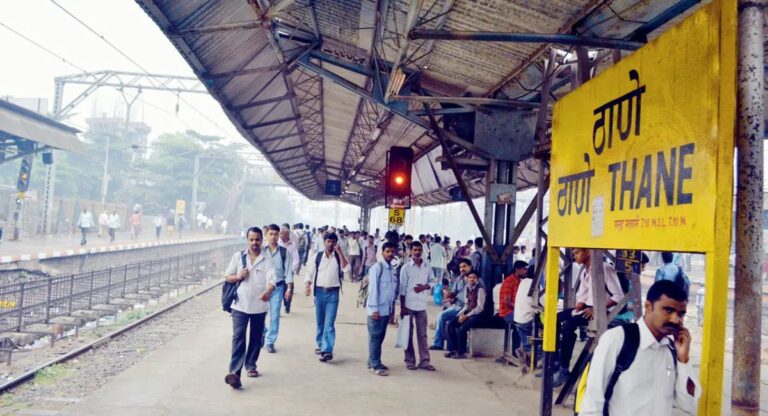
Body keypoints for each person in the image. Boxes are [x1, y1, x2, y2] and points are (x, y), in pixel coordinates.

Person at [579, 280, 700, 415]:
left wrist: (683, 360)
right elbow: (592, 403)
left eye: (681, 314)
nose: (675, 320)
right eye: (668, 310)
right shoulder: (617, 339)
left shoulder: (671, 350)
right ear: (648, 306)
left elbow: (687, 404)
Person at [553, 248, 626, 387]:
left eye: (577, 253)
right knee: (555, 318)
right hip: (586, 308)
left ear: (587, 252)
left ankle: (563, 368)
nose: (574, 256)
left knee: (569, 325)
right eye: (574, 253)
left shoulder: (605, 268)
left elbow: (618, 296)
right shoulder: (584, 271)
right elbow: (583, 294)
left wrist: (596, 308)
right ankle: (556, 360)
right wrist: (579, 305)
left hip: (600, 311)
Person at [223, 227, 277, 389]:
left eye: (257, 239)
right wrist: (239, 276)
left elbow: (272, 280)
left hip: (259, 307)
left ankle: (251, 364)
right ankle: (235, 373)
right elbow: (227, 276)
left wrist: (267, 292)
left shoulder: (267, 260)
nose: (254, 243)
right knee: (238, 337)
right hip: (239, 305)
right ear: (247, 240)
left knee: (256, 338)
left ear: (262, 240)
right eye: (251, 239)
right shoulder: (238, 257)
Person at [304, 232, 347, 363]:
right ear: (324, 242)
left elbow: (347, 269)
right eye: (328, 241)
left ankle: (327, 350)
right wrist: (307, 285)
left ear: (336, 243)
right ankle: (320, 343)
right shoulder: (317, 257)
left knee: (329, 322)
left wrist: (340, 253)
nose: (331, 244)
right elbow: (309, 271)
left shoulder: (338, 257)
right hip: (319, 292)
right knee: (320, 320)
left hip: (333, 293)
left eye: (333, 242)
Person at [399, 241, 436, 371]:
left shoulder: (427, 266)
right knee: (407, 333)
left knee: (422, 334)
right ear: (410, 251)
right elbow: (402, 288)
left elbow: (432, 281)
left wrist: (423, 287)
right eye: (415, 250)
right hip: (408, 304)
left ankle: (424, 361)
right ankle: (410, 360)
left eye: (419, 250)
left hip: (421, 305)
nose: (417, 252)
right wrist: (402, 307)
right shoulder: (406, 268)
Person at [365, 242, 397, 376]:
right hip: (376, 310)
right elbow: (372, 290)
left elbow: (391, 291)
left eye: (392, 251)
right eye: (387, 251)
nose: (390, 254)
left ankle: (372, 360)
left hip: (386, 309)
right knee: (375, 336)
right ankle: (376, 365)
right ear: (382, 252)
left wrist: (391, 310)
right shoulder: (377, 268)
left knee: (380, 336)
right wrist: (374, 309)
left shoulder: (391, 269)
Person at [262, 224, 293, 353]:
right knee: (260, 315)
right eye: (271, 234)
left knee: (274, 316)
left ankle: (270, 341)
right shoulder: (261, 251)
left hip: (278, 287)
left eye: (276, 234)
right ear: (266, 235)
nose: (274, 237)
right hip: (262, 288)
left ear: (279, 235)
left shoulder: (284, 252)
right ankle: (263, 333)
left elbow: (288, 272)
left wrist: (289, 288)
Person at [429, 259, 471, 350]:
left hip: (467, 308)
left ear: (470, 267)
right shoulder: (459, 278)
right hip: (457, 306)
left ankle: (450, 346)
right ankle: (438, 344)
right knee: (441, 315)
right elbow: (454, 292)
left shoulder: (473, 278)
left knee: (448, 321)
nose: (462, 269)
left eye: (464, 266)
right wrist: (448, 296)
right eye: (460, 267)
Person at [445, 270, 486, 359]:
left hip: (478, 315)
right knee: (450, 324)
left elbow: (480, 308)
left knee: (462, 328)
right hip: (468, 312)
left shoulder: (480, 289)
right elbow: (466, 305)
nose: (471, 279)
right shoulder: (467, 288)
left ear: (477, 279)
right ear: (467, 279)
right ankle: (452, 349)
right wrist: (461, 314)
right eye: (470, 277)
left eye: (474, 278)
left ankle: (461, 353)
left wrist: (467, 316)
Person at [496, 260, 526, 361]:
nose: (526, 271)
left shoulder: (519, 281)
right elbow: (507, 302)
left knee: (525, 323)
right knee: (525, 323)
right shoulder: (509, 281)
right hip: (506, 312)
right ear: (517, 270)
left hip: (514, 310)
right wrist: (520, 307)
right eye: (524, 269)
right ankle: (518, 353)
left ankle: (518, 352)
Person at [514, 260, 542, 363]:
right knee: (551, 331)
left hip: (518, 319)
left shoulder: (523, 282)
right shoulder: (536, 286)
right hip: (527, 320)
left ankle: (524, 349)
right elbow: (544, 303)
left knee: (527, 338)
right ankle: (539, 361)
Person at [277, 224, 299, 314]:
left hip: (289, 271)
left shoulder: (292, 244)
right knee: (279, 288)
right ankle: (278, 306)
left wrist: (291, 270)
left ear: (287, 234)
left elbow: (296, 258)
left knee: (289, 288)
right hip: (278, 271)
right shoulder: (277, 243)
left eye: (283, 233)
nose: (281, 235)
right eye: (280, 233)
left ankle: (287, 304)